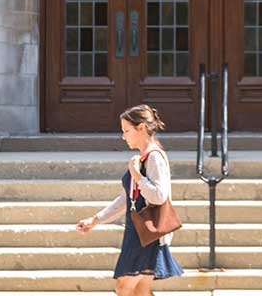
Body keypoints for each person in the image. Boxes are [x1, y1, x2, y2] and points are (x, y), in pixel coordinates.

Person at [75, 103, 184, 293]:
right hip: (138, 232)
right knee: (139, 290)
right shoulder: (141, 158)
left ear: (141, 128)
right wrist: (96, 219)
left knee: (124, 287)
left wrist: (137, 175)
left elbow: (159, 196)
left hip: (148, 235)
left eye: (126, 130)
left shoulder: (154, 157)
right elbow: (127, 199)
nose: (123, 136)